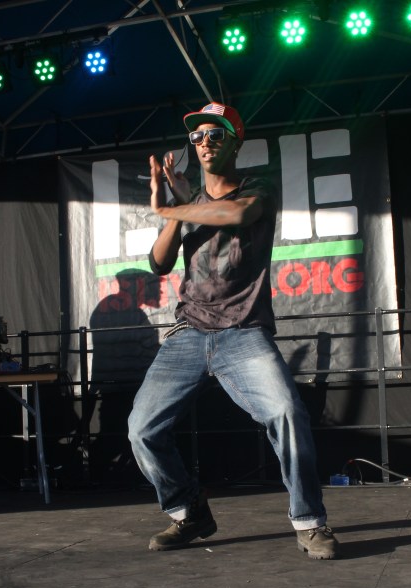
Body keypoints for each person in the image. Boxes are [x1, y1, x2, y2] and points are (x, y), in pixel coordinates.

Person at [127, 102, 339, 559]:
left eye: (215, 135)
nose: (205, 142)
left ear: (235, 143)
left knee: (286, 413)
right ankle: (189, 512)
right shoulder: (189, 206)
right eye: (197, 136)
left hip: (244, 332)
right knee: (141, 430)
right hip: (189, 332)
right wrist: (173, 212)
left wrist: (178, 205)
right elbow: (159, 263)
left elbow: (239, 214)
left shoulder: (257, 188)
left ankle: (309, 521)